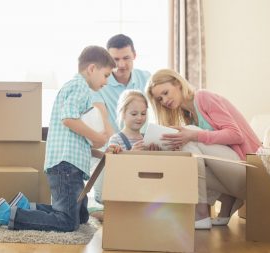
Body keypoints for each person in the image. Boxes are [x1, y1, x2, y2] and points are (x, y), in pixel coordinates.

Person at [0, 45, 116, 232]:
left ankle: (27, 207)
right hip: (67, 167)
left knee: (81, 216)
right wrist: (98, 137)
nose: (107, 81)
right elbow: (68, 119)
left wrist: (99, 152)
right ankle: (8, 214)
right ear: (92, 69)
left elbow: (75, 137)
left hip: (69, 165)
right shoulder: (80, 87)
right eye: (106, 75)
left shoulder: (75, 87)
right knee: (67, 222)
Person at [146, 69, 260, 229]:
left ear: (178, 84)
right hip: (233, 174)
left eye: (166, 92)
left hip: (250, 170)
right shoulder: (189, 114)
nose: (164, 100)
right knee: (183, 157)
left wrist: (194, 135)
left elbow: (236, 135)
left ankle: (200, 213)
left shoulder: (204, 97)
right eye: (160, 99)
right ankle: (226, 200)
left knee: (188, 137)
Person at [91, 34, 151, 206]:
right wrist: (124, 153)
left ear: (135, 56)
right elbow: (105, 124)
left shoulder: (146, 78)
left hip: (141, 144)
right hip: (114, 148)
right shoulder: (100, 83)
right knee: (106, 194)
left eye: (127, 58)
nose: (122, 65)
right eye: (115, 59)